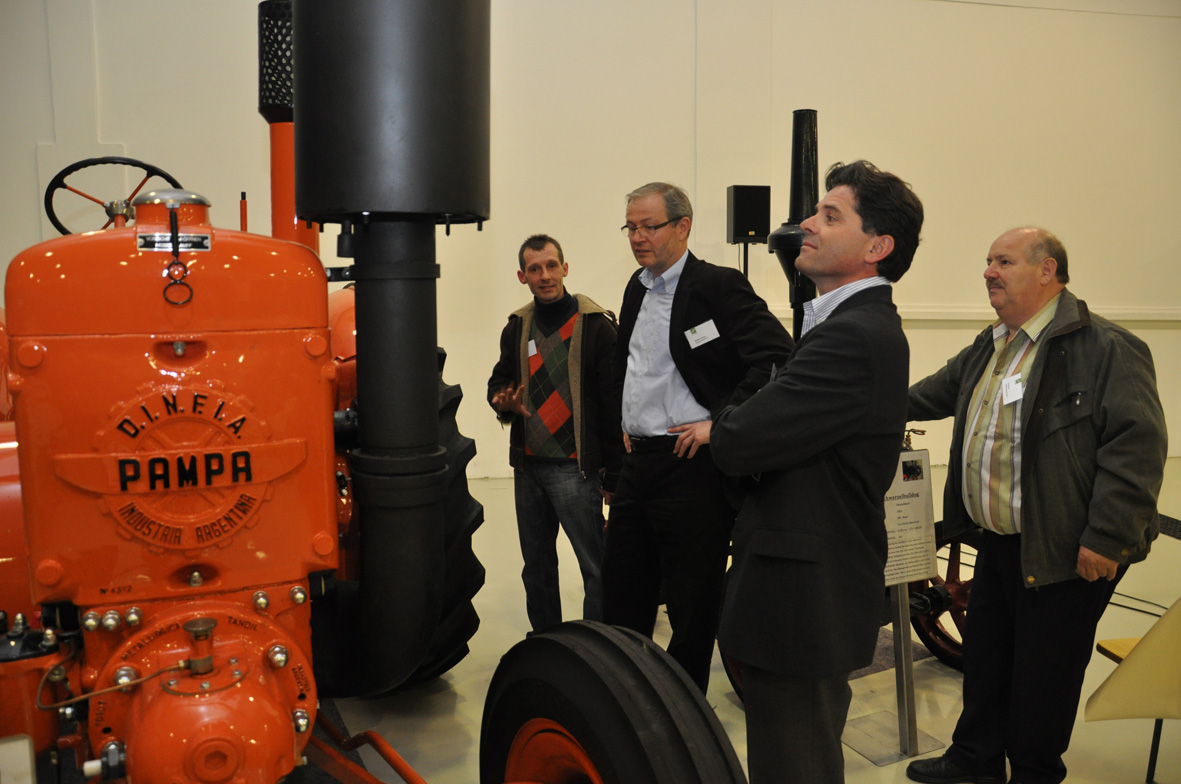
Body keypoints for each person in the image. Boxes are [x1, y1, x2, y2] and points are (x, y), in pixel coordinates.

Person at [905, 227, 1167, 784]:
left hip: (1065, 551)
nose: (988, 272)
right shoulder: (993, 344)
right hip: (996, 539)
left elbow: (1137, 449)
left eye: (1003, 261)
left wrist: (1107, 537)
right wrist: (857, 400)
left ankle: (1033, 772)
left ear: (1048, 270)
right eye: (988, 261)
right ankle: (974, 759)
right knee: (986, 659)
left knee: (1044, 678)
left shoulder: (1106, 348)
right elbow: (928, 394)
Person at [711, 160, 924, 783]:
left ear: (876, 248)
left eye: (831, 216)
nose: (806, 224)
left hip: (804, 598)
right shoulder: (843, 326)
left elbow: (738, 441)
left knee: (795, 760)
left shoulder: (854, 335)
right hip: (800, 589)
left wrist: (729, 421)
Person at [601, 182, 793, 694]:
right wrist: (623, 423)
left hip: (691, 468)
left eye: (649, 226)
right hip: (638, 465)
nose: (637, 237)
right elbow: (630, 365)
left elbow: (775, 355)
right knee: (621, 593)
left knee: (691, 602)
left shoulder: (717, 286)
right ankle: (627, 701)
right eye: (630, 227)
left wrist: (720, 422)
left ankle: (683, 714)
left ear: (682, 227)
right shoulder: (637, 288)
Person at [487, 234, 622, 633]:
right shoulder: (517, 327)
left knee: (595, 566)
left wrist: (614, 476)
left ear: (565, 268)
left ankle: (597, 646)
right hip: (528, 468)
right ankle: (546, 643)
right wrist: (503, 401)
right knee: (537, 567)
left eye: (550, 266)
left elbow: (614, 406)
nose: (544, 275)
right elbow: (499, 381)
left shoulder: (596, 327)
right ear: (522, 276)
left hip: (575, 471)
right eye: (534, 269)